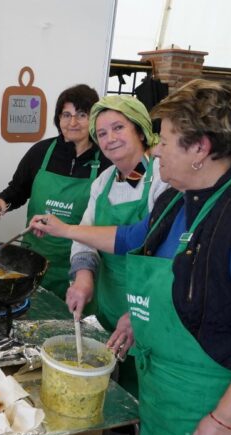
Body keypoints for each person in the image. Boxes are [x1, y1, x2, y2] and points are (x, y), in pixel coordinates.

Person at [29, 79, 231, 435]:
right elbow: (135, 237)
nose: (156, 150)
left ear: (200, 148)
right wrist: (140, 311)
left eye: (166, 140)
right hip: (162, 396)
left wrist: (228, 421)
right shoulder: (177, 198)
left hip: (204, 399)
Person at [66, 95, 169, 397]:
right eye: (101, 133)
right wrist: (84, 279)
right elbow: (84, 236)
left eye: (118, 128)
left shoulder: (162, 179)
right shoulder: (105, 181)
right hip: (109, 305)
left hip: (150, 307)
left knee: (142, 391)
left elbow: (163, 252)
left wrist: (139, 312)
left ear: (140, 130)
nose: (110, 139)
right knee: (111, 389)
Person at [0, 84, 111, 300]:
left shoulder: (106, 161)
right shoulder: (41, 152)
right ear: (58, 118)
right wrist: (2, 201)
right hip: (36, 261)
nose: (72, 122)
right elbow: (18, 188)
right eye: (66, 115)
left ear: (94, 119)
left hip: (82, 268)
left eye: (81, 115)